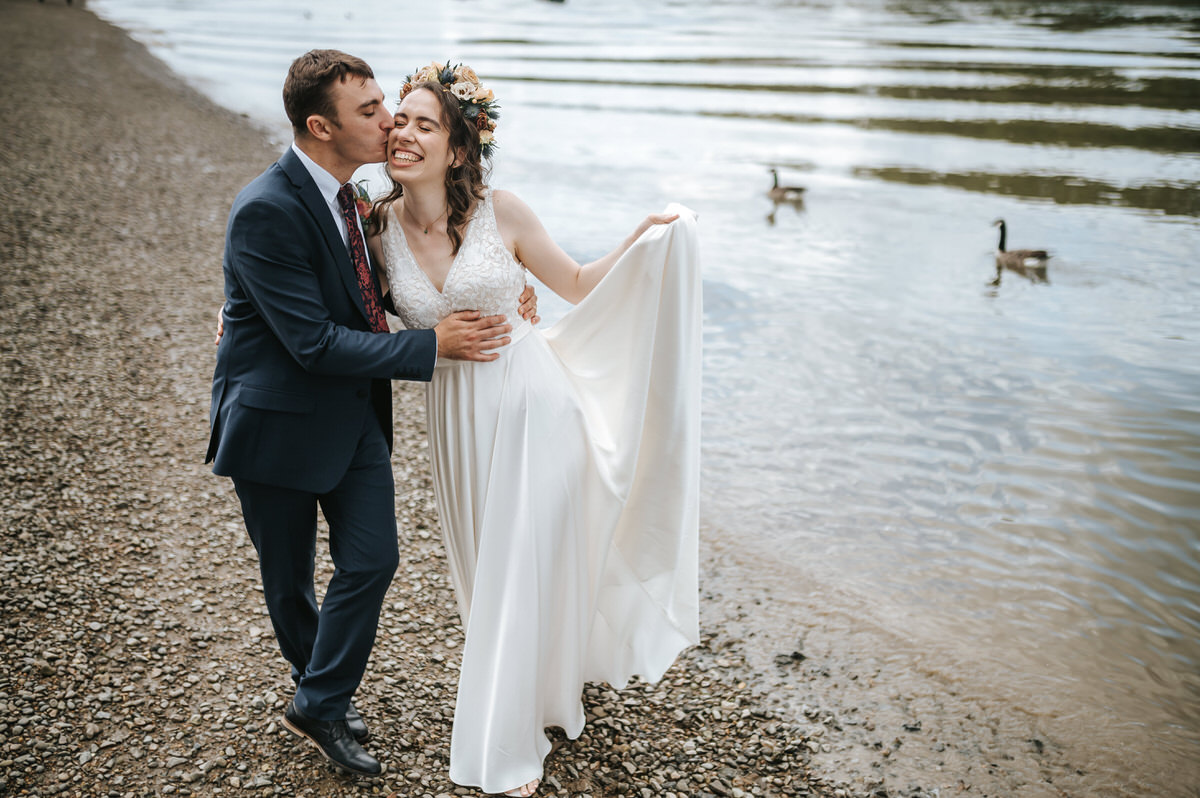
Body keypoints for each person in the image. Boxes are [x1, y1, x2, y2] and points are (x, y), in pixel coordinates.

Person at [367, 62, 701, 796]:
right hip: (454, 419)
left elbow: (578, 285)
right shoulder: (375, 227)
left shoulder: (503, 211)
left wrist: (643, 239)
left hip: (533, 403)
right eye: (402, 118)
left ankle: (511, 737)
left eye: (427, 124)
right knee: (488, 569)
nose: (405, 132)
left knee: (522, 564)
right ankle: (546, 694)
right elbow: (353, 317)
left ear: (458, 149)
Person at [205, 50, 538, 778]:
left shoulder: (359, 202)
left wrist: (504, 285)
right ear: (321, 127)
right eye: (371, 112)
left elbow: (385, 291)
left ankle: (318, 697)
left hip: (354, 418)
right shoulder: (266, 208)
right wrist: (432, 345)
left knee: (373, 560)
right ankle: (321, 695)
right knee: (288, 579)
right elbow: (314, 342)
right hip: (275, 423)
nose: (389, 121)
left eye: (389, 105)